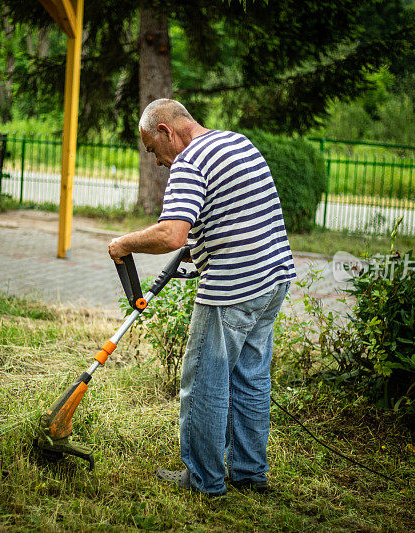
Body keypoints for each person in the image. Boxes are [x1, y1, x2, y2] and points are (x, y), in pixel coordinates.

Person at [108, 98, 295, 496]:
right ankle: (248, 474)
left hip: (233, 289)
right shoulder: (236, 143)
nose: (157, 162)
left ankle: (204, 479)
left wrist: (124, 243)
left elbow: (170, 234)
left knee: (205, 381)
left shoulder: (189, 162)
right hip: (273, 279)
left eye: (152, 150)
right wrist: (202, 243)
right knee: (251, 378)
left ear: (165, 132)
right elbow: (237, 211)